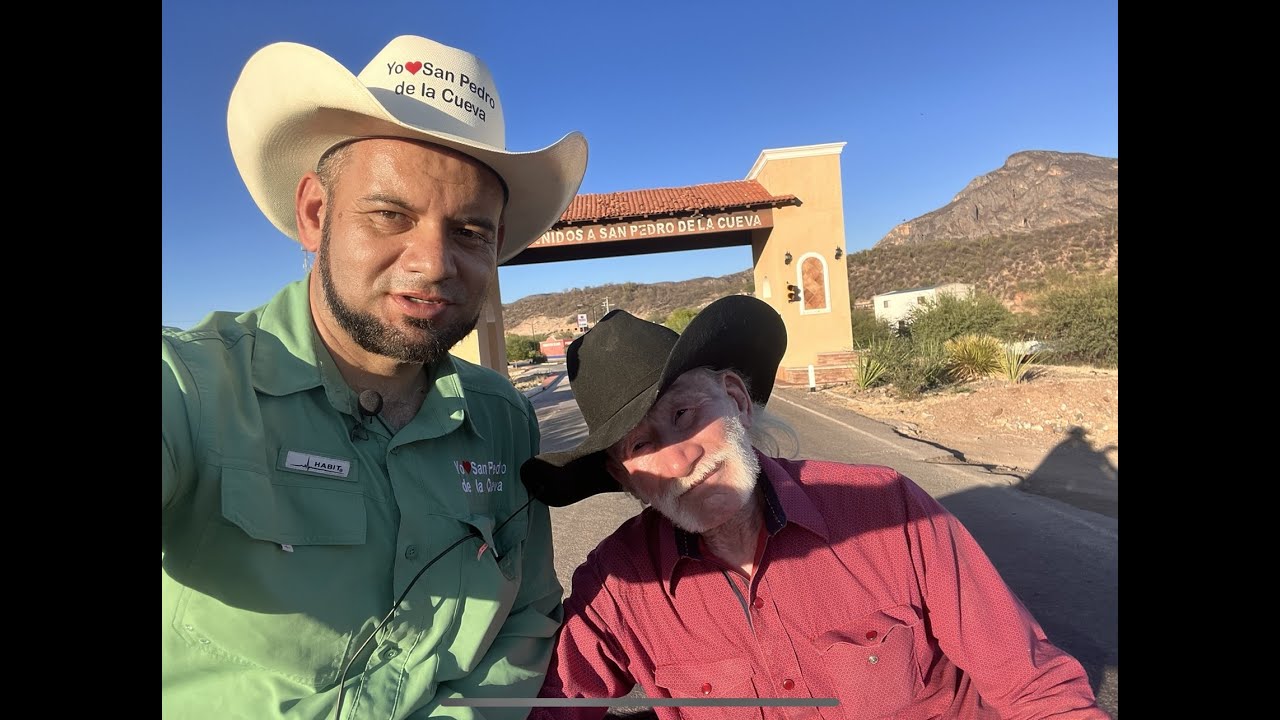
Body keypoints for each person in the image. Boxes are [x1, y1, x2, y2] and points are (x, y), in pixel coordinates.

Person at [162, 34, 587, 719]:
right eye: (391, 214)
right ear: (315, 214)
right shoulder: (194, 386)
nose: (432, 262)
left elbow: (529, 613)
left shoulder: (503, 418)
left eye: (471, 231)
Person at [520, 295, 1108, 720]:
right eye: (641, 448)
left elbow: (1035, 688)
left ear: (735, 401)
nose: (679, 462)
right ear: (625, 478)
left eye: (683, 415)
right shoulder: (620, 585)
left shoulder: (889, 510)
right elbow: (557, 704)